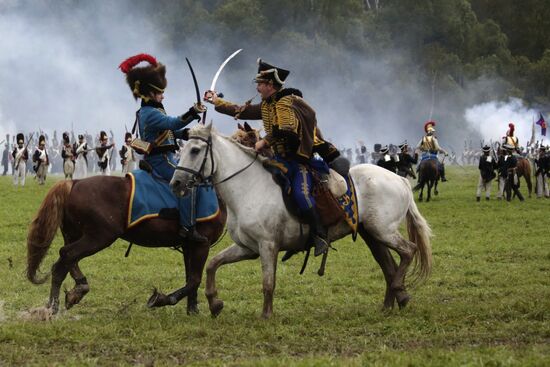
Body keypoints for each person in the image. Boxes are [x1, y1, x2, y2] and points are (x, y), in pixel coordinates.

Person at [204, 58, 343, 257]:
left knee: (301, 195)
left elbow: (287, 131)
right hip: (280, 160)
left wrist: (264, 142)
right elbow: (240, 111)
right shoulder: (268, 104)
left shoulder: (286, 101)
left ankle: (319, 235)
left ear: (270, 85)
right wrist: (216, 101)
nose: (257, 88)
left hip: (298, 161)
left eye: (260, 84)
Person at [119, 53, 207, 242]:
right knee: (188, 184)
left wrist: (185, 134)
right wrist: (193, 112)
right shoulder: (150, 112)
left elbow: (165, 133)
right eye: (160, 93)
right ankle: (187, 227)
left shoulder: (152, 110)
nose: (163, 95)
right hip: (161, 160)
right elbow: (172, 123)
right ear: (150, 93)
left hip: (165, 157)